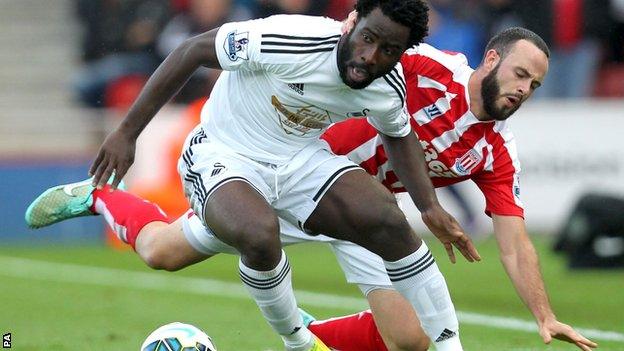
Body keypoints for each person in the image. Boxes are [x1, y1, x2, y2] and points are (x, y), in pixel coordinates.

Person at [25, 25, 597, 350]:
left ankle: (304, 342)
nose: (525, 90)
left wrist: (544, 316)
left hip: (360, 213)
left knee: (412, 341)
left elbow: (515, 241)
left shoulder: (497, 151)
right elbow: (356, 49)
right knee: (160, 252)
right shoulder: (422, 67)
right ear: (491, 60)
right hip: (289, 175)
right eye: (521, 74)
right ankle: (97, 196)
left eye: (536, 85)